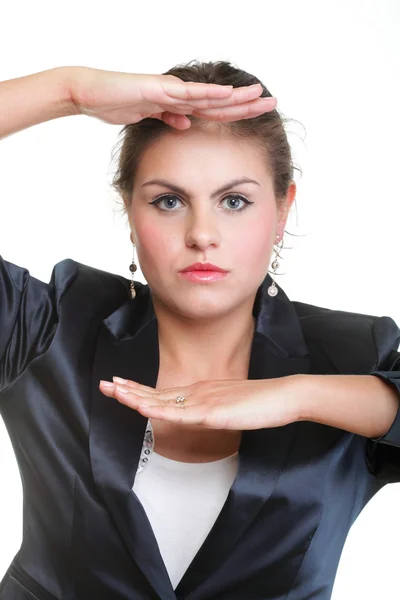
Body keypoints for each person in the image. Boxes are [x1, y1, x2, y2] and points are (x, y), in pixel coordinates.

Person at [0, 62, 400, 600]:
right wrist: (70, 92)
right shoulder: (49, 329)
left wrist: (295, 396)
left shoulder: (351, 354)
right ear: (129, 208)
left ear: (283, 209)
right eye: (169, 201)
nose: (202, 235)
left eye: (234, 201)